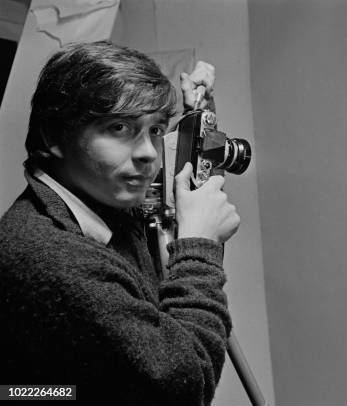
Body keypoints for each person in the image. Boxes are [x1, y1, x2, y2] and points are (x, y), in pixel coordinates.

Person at [0, 41, 240, 405]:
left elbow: (162, 195)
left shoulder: (99, 200)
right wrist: (199, 248)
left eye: (155, 130)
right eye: (118, 127)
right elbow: (183, 386)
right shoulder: (50, 257)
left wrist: (197, 126)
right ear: (53, 136)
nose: (148, 153)